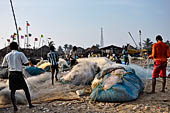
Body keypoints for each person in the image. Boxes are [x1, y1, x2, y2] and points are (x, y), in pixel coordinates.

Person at [1, 42, 34, 112]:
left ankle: (15, 107)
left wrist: (10, 65)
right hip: (18, 74)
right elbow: (26, 63)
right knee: (25, 89)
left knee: (13, 91)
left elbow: (3, 65)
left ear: (10, 48)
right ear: (17, 47)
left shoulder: (7, 55)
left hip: (11, 75)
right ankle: (30, 104)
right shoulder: (20, 54)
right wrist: (19, 62)